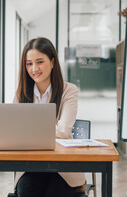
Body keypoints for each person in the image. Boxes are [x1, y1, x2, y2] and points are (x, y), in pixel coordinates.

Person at [14, 37, 86, 197]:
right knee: (27, 192)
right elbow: (15, 131)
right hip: (30, 166)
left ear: (52, 62)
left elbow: (64, 130)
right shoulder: (21, 93)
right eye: (29, 63)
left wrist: (29, 131)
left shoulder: (69, 90)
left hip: (63, 168)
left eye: (40, 62)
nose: (34, 68)